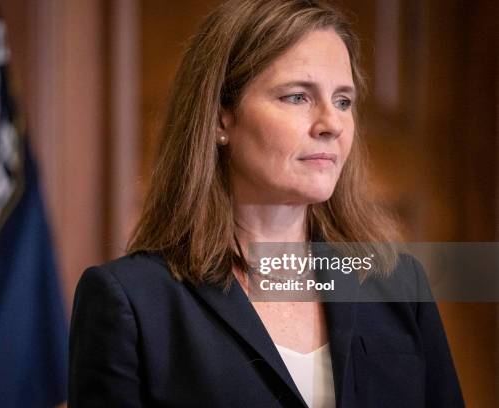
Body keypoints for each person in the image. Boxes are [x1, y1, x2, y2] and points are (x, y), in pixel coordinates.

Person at [69, 0, 464, 406]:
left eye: (343, 101)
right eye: (297, 97)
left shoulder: (398, 284)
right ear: (222, 119)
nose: (331, 124)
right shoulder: (131, 300)